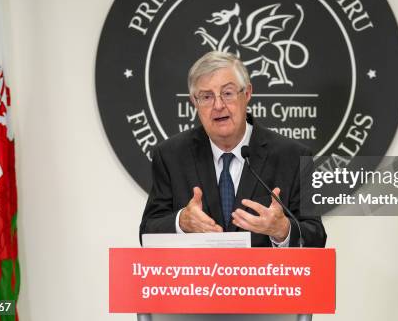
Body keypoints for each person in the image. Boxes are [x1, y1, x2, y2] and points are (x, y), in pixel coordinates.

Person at [139, 51, 326, 247]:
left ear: (247, 94)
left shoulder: (292, 156)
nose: (218, 105)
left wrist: (283, 230)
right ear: (194, 102)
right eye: (206, 97)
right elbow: (147, 232)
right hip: (197, 277)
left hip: (265, 276)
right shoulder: (171, 156)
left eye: (227, 93)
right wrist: (181, 222)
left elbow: (316, 237)